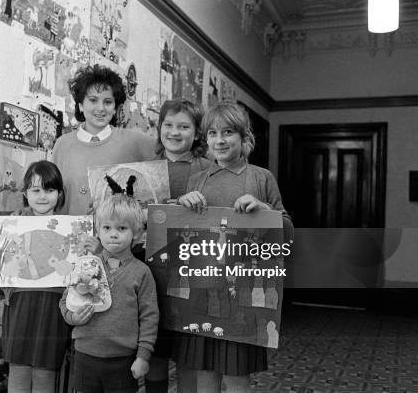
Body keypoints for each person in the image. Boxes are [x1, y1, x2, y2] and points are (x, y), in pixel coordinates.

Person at [176, 103, 293, 393]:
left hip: (244, 294)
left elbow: (287, 232)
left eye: (228, 132)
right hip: (202, 292)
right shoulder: (197, 180)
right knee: (205, 373)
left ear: (244, 138)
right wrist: (182, 205)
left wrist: (264, 209)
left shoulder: (261, 177)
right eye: (212, 133)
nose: (220, 140)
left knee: (236, 376)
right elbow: (180, 237)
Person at [0, 160, 71, 393]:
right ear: (25, 193)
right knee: (18, 374)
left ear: (60, 193)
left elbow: (84, 276)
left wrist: (91, 251)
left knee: (45, 376)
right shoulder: (11, 227)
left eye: (49, 189)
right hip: (19, 309)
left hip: (53, 312)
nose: (42, 196)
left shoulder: (69, 229)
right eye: (36, 190)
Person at [145, 98, 213, 393]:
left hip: (193, 274)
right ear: (159, 128)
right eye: (168, 125)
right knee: (154, 349)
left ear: (197, 133)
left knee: (190, 355)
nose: (174, 132)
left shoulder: (210, 170)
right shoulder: (144, 171)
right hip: (151, 273)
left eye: (184, 126)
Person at [59, 194, 159, 393]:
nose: (113, 234)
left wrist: (143, 357)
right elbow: (65, 301)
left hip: (123, 360)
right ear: (98, 231)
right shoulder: (86, 264)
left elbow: (149, 317)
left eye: (122, 228)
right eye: (107, 228)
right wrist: (73, 318)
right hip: (85, 355)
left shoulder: (142, 273)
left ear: (137, 234)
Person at [52, 64, 156, 215]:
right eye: (93, 100)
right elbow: (50, 192)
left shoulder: (135, 141)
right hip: (71, 235)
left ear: (115, 108)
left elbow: (163, 177)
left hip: (117, 236)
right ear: (80, 105)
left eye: (107, 102)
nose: (100, 108)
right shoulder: (62, 145)